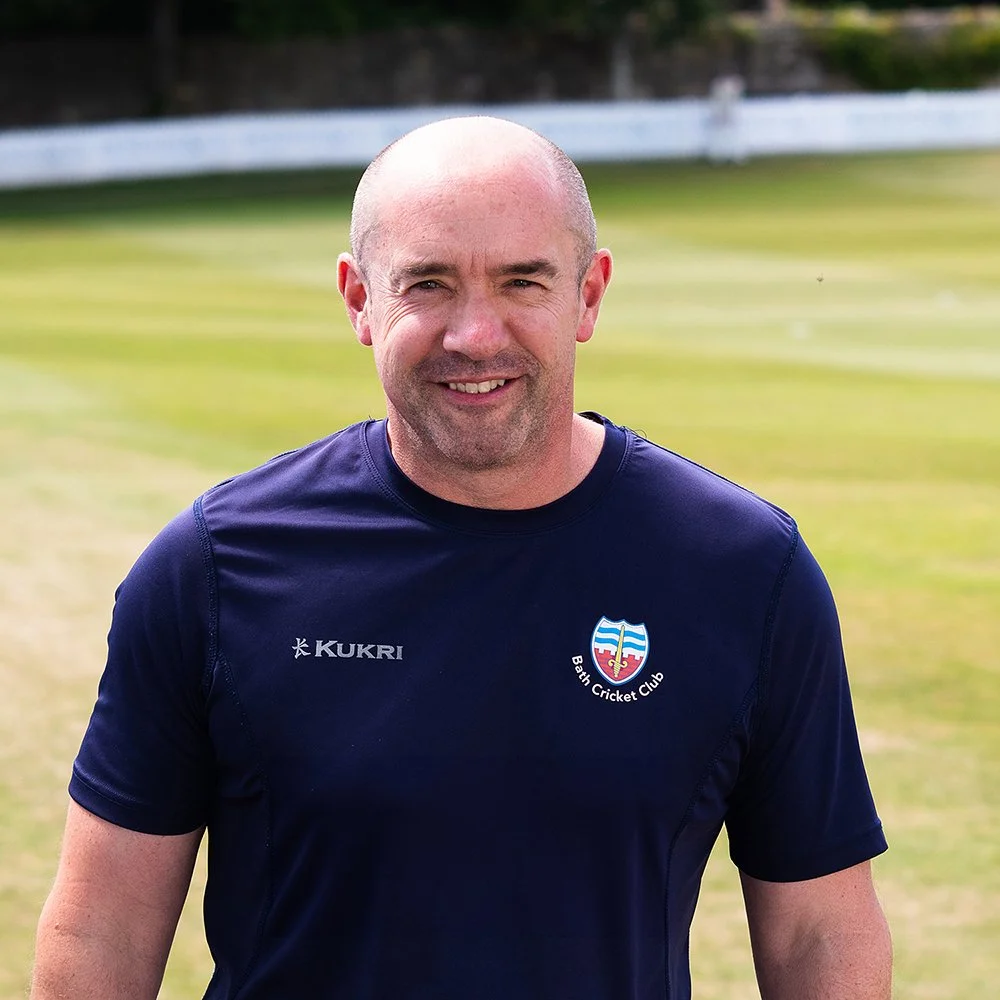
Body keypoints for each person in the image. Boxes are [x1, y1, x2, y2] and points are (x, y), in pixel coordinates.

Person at [31, 116, 891, 999]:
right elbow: (102, 932)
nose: (476, 335)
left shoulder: (745, 570)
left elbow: (819, 933)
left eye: (524, 282)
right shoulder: (212, 570)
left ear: (588, 295)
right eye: (428, 285)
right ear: (360, 299)